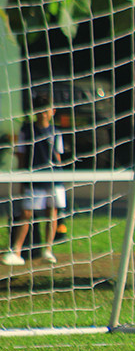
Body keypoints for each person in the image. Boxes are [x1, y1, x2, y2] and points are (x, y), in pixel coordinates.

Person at [3, 93, 65, 266]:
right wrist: (22, 179)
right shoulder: (27, 130)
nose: (44, 114)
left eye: (47, 110)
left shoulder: (55, 131)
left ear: (52, 111)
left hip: (53, 178)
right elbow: (21, 155)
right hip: (34, 178)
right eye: (41, 110)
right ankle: (16, 251)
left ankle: (48, 250)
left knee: (52, 213)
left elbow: (58, 157)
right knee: (27, 214)